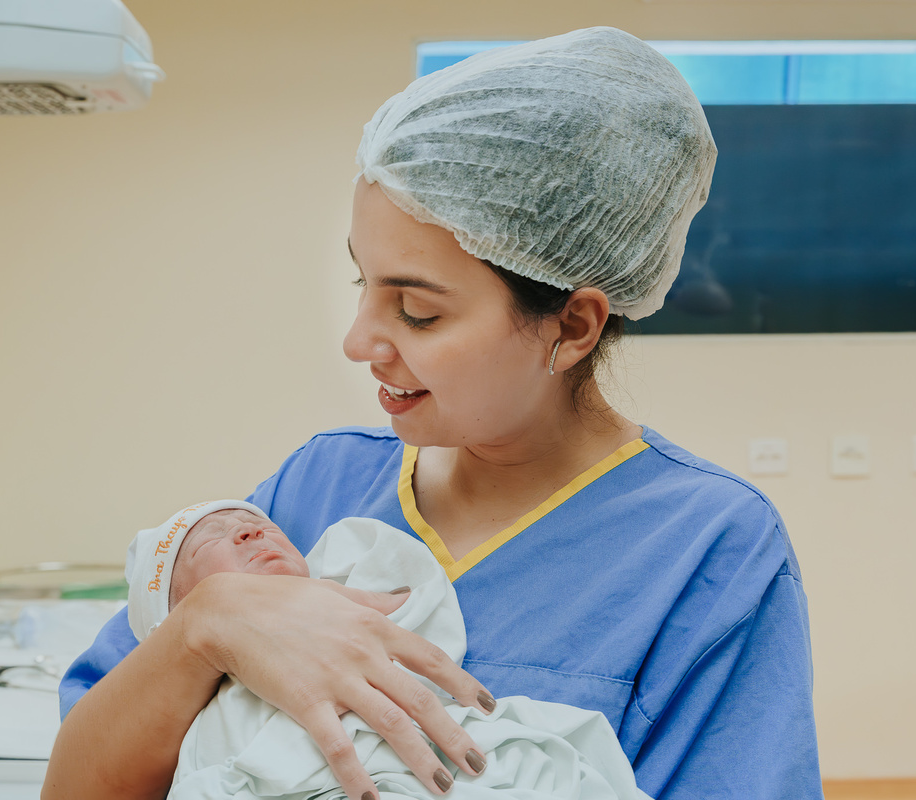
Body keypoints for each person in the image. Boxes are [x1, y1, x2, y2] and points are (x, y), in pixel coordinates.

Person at [46, 26, 822, 800]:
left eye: (416, 311)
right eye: (364, 285)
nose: (359, 342)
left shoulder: (705, 549)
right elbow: (77, 786)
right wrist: (204, 625)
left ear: (574, 326)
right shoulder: (320, 486)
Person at [124, 499, 648, 799]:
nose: (246, 529)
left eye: (257, 523)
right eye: (204, 541)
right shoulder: (202, 710)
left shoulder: (353, 570)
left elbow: (418, 606)